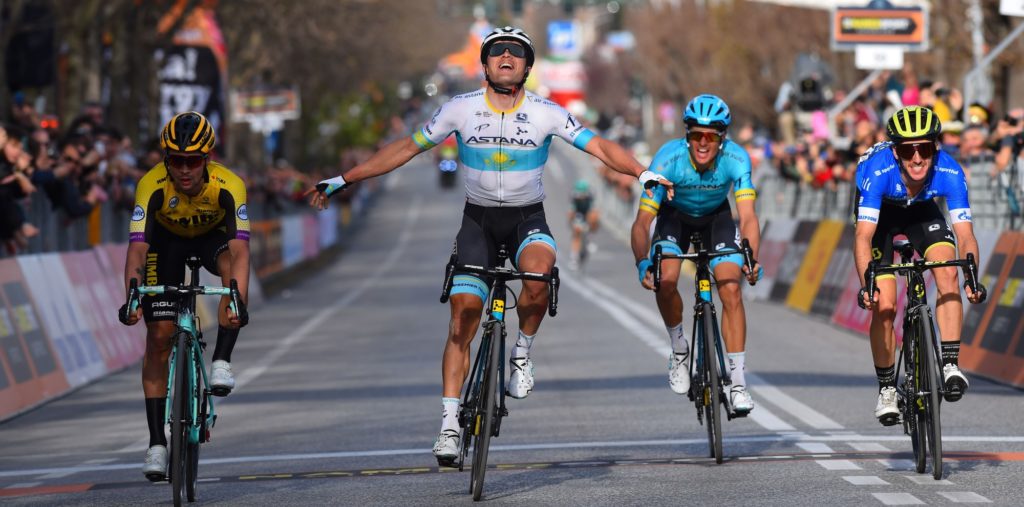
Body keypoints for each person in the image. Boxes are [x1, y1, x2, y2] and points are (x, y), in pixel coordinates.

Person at [306, 26, 671, 467]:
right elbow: (405, 147)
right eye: (496, 51)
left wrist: (640, 171)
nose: (505, 57)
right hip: (477, 222)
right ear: (484, 63)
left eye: (516, 52)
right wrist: (345, 179)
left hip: (526, 219)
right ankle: (447, 425)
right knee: (462, 315)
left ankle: (521, 355)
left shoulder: (546, 112)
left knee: (538, 277)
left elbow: (599, 147)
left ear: (527, 66)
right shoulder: (459, 110)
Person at [118, 111, 250, 481]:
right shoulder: (150, 185)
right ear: (166, 160)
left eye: (193, 161)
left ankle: (222, 359)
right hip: (166, 244)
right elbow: (137, 249)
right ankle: (157, 443)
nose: (185, 169)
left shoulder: (230, 184)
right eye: (177, 161)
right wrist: (131, 293)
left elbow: (241, 251)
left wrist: (237, 297)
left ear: (207, 158)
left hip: (212, 240)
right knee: (159, 337)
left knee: (232, 274)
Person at [630, 94, 762, 415]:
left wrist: (751, 257)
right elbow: (642, 221)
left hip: (717, 219)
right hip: (675, 219)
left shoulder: (736, 158)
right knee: (667, 280)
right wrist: (642, 262)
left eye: (711, 136)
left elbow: (747, 216)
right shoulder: (667, 159)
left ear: (723, 138)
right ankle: (679, 348)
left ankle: (739, 384)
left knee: (730, 287)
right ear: (686, 135)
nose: (703, 143)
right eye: (696, 135)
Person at [854, 106, 986, 426]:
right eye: (907, 150)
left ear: (935, 148)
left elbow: (965, 235)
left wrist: (972, 276)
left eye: (924, 149)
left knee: (948, 273)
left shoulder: (950, 172)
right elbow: (863, 237)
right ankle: (887, 388)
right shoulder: (877, 171)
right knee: (884, 304)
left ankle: (950, 364)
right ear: (896, 152)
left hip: (922, 212)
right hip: (882, 214)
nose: (916, 158)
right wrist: (866, 284)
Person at [567, 179, 599, 270]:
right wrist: (573, 224)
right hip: (579, 214)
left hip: (588, 213)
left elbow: (594, 211)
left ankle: (590, 239)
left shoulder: (591, 195)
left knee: (594, 217)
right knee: (576, 233)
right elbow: (571, 212)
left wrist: (592, 223)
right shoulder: (573, 196)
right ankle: (574, 257)